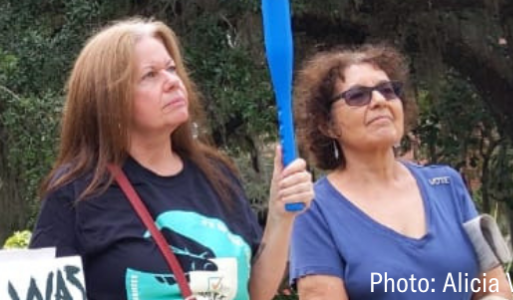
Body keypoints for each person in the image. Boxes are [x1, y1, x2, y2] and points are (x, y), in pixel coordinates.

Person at [31, 17, 314, 300]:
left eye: (171, 68)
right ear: (109, 101)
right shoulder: (77, 190)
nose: (172, 82)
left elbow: (253, 293)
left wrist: (280, 216)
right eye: (149, 75)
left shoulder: (217, 175)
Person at [289, 44, 512, 300]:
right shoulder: (314, 210)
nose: (379, 101)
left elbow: (496, 288)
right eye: (358, 96)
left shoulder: (448, 185)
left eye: (388, 90)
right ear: (327, 125)